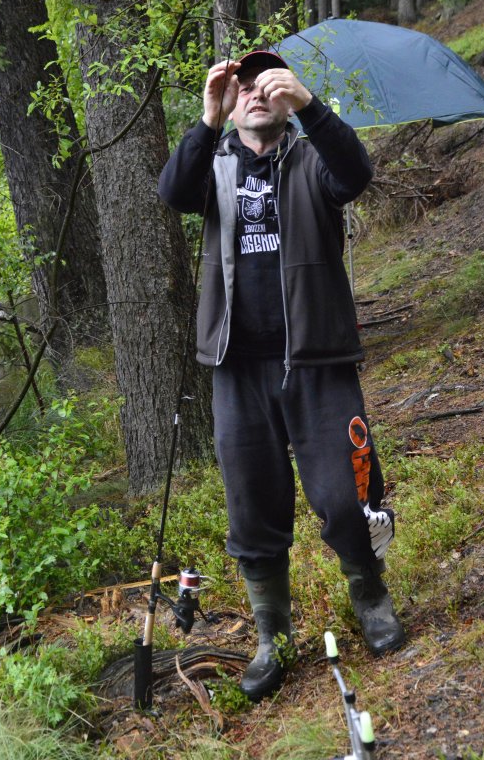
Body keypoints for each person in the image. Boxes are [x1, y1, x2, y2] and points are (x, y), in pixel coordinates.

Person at [158, 50, 405, 701]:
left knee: (347, 495)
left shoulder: (312, 160)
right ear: (232, 103)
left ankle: (371, 598)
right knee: (251, 509)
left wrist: (311, 106)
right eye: (241, 86)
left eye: (265, 82)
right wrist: (208, 117)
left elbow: (356, 173)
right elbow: (172, 192)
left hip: (318, 361)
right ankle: (273, 636)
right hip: (237, 368)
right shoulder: (214, 166)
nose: (254, 92)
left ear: (286, 94)